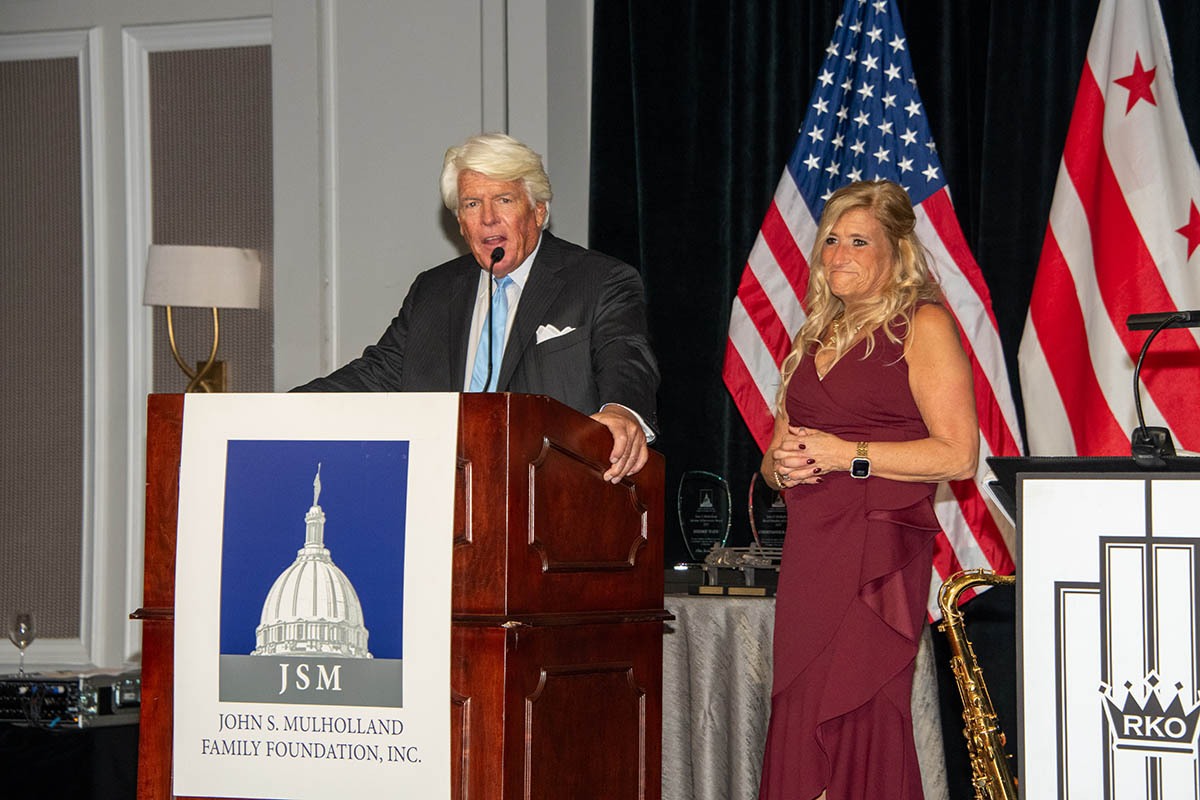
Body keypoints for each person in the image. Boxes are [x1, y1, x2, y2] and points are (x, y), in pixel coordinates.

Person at [756, 180, 979, 800]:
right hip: (810, 549)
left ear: (897, 250)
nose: (839, 254)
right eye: (831, 240)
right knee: (799, 704)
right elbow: (775, 458)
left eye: (859, 241)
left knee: (860, 707)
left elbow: (958, 454)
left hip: (877, 552)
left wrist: (846, 455)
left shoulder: (922, 325)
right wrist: (782, 468)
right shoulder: (812, 336)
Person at [294, 133, 659, 483]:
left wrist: (621, 410)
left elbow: (626, 359)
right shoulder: (433, 291)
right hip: (443, 491)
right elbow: (377, 373)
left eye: (504, 199)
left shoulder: (599, 280)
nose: (487, 218)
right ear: (460, 223)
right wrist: (280, 409)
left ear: (538, 210)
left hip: (553, 491)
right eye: (472, 204)